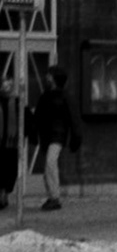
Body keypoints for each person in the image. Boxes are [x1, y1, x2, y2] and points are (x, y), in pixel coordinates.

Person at [30, 65, 82, 212]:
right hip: (46, 136)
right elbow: (37, 117)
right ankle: (52, 196)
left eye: (49, 75)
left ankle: (55, 197)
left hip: (58, 135)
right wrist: (34, 133)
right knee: (47, 167)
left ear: (54, 78)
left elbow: (73, 118)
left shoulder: (65, 96)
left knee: (50, 163)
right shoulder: (44, 96)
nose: (46, 77)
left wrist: (75, 137)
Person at [0, 75, 19, 211]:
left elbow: (25, 118)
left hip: (10, 143)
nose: (7, 87)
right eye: (5, 85)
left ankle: (5, 194)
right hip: (0, 142)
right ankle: (1, 195)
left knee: (10, 170)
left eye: (9, 85)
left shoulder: (17, 102)